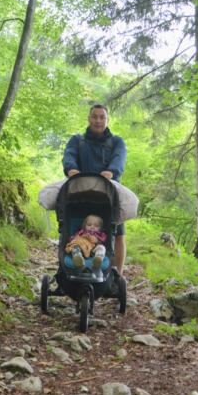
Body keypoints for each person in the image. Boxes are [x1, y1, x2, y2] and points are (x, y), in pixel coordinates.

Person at [63, 104, 127, 273]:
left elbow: (119, 160)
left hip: (108, 194)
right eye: (94, 116)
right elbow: (69, 155)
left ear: (107, 120)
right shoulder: (77, 140)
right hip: (80, 193)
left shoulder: (116, 142)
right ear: (89, 118)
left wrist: (112, 172)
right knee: (68, 226)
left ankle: (118, 275)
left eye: (102, 117)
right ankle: (67, 266)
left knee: (118, 233)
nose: (98, 120)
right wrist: (71, 168)